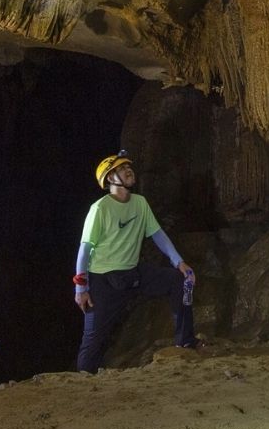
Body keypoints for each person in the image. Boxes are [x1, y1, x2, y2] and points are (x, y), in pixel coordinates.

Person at [74, 152, 196, 373]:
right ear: (110, 178)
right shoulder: (100, 208)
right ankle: (83, 380)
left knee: (177, 280)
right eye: (121, 169)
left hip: (133, 272)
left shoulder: (140, 203)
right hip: (104, 281)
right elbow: (85, 249)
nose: (128, 170)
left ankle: (185, 343)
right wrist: (81, 288)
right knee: (92, 341)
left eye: (128, 167)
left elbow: (158, 234)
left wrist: (180, 262)